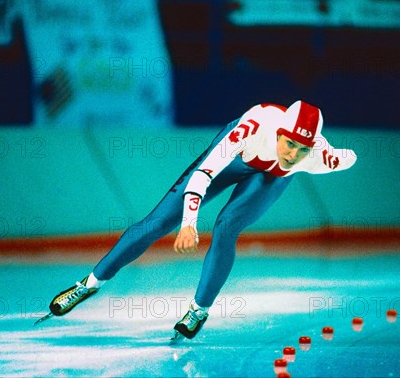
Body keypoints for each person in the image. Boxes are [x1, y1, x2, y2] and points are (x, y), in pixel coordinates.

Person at [41, 100, 357, 341]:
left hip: (270, 179)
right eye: (289, 144)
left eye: (302, 150)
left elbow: (348, 157)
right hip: (234, 158)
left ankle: (198, 310)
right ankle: (90, 284)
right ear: (279, 133)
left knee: (226, 228)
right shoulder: (251, 129)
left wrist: (335, 155)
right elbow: (203, 174)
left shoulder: (318, 157)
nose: (292, 154)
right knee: (158, 222)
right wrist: (189, 223)